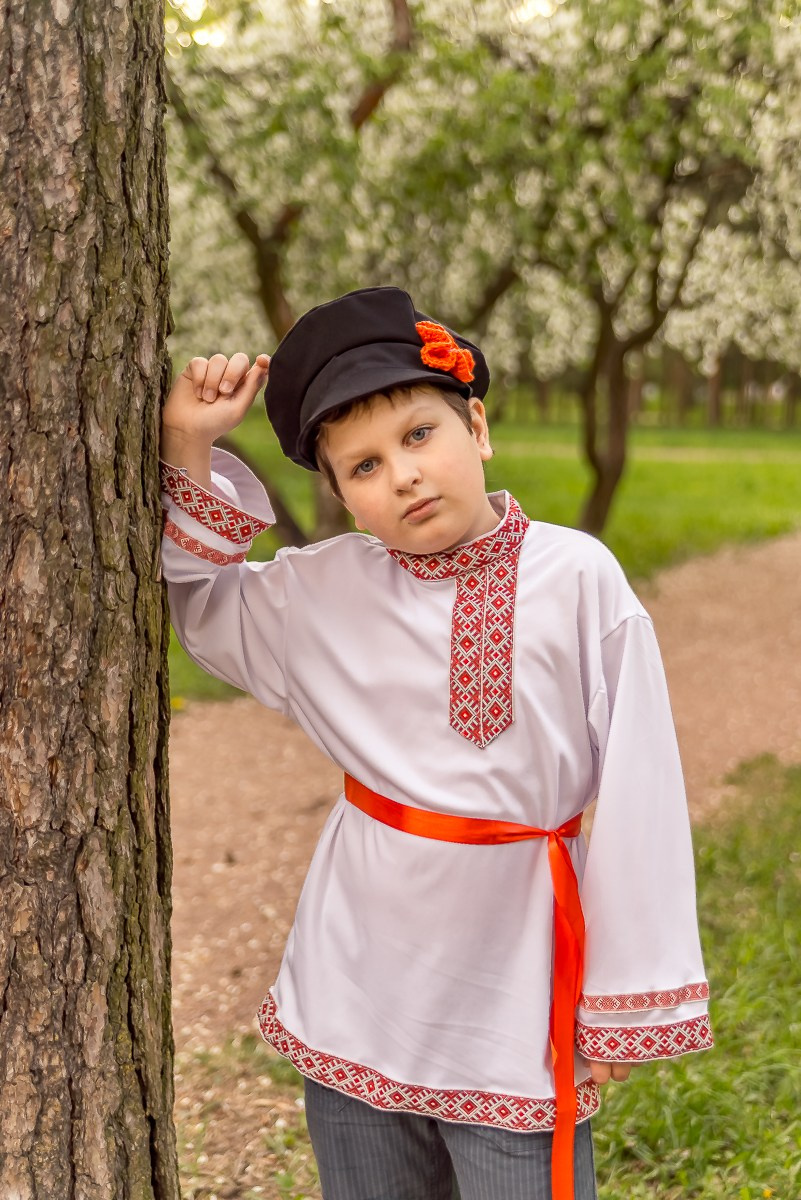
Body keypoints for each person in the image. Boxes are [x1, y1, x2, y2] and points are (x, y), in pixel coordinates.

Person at [159, 286, 712, 1200]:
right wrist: (190, 445)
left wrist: (620, 998)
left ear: (478, 428)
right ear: (338, 496)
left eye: (419, 435)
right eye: (364, 466)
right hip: (359, 987)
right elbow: (205, 606)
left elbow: (641, 786)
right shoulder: (324, 591)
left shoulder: (580, 578)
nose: (404, 474)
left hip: (519, 1000)